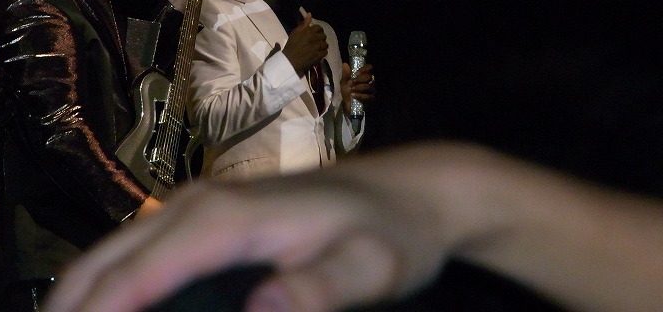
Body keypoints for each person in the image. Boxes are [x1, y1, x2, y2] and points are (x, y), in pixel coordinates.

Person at [0, 0, 220, 311]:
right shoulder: (31, 6)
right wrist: (142, 208)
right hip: (59, 255)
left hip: (81, 252)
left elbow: (127, 85)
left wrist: (173, 2)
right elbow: (60, 130)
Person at [42, 139, 663, 312]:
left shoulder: (326, 33)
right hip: (245, 212)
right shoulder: (231, 16)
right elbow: (216, 114)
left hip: (330, 210)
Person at [185, 0, 375, 179]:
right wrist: (287, 65)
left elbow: (326, 147)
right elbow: (207, 122)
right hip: (249, 200)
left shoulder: (324, 33)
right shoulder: (219, 15)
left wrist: (348, 113)